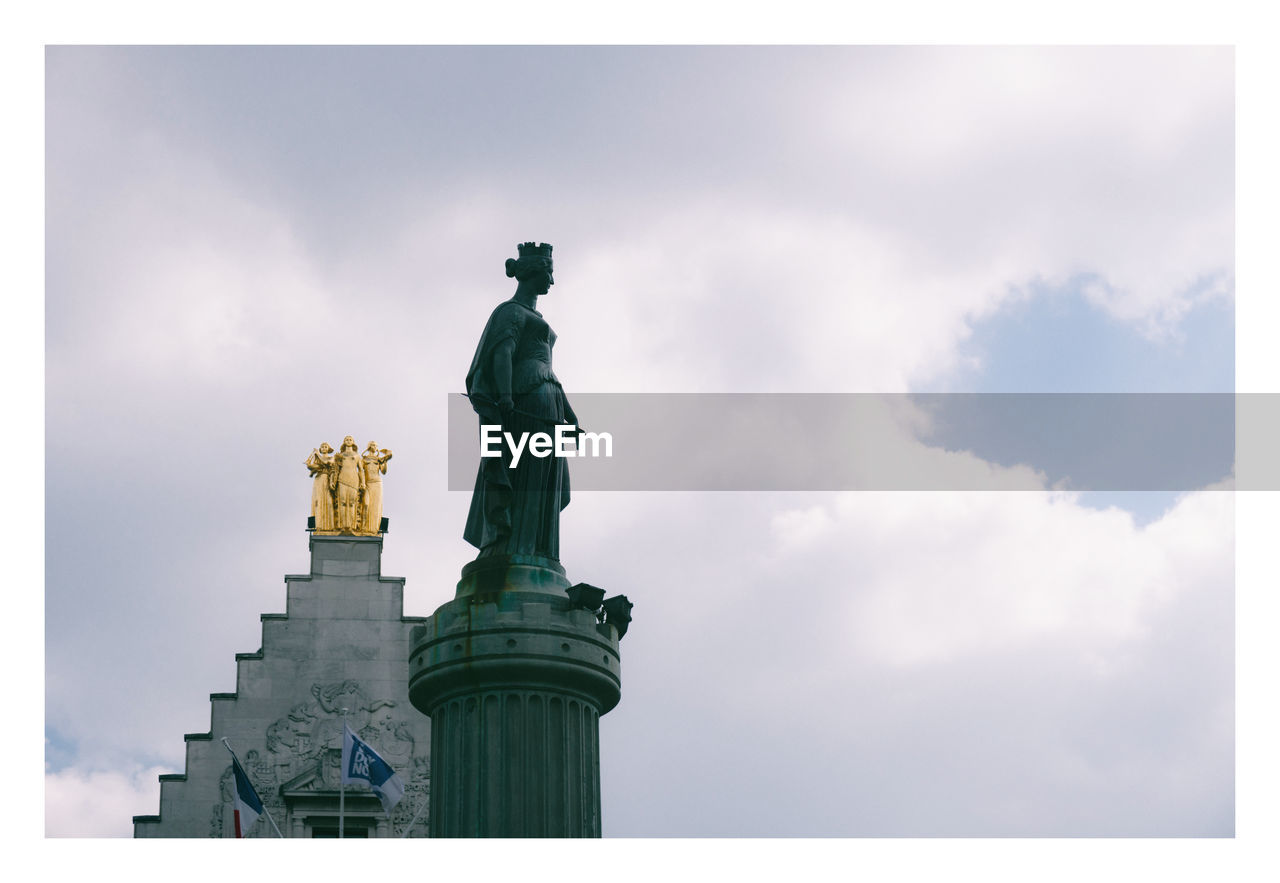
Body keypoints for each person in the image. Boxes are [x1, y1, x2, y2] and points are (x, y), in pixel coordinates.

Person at [464, 241, 577, 560]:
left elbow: (550, 372)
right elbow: (502, 352)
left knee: (544, 484)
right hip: (525, 402)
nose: (552, 281)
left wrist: (570, 415)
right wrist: (505, 396)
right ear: (532, 272)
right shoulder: (510, 312)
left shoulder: (528, 314)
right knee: (525, 474)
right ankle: (514, 548)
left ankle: (540, 551)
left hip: (548, 400)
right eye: (548, 273)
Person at [333, 436, 365, 532]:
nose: (348, 440)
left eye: (350, 439)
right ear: (344, 442)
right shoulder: (340, 456)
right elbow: (336, 470)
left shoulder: (357, 456)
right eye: (347, 439)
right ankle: (343, 526)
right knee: (342, 502)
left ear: (353, 442)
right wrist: (333, 481)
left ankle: (351, 526)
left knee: (352, 502)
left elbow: (361, 470)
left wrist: (363, 482)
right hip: (342, 479)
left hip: (353, 480)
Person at [361, 442, 392, 533]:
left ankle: (373, 529)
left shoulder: (379, 459)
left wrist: (385, 461)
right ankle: (364, 527)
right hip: (367, 483)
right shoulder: (364, 459)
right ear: (369, 447)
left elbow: (384, 471)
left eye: (376, 446)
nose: (375, 447)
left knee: (376, 505)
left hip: (377, 483)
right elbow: (361, 471)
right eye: (373, 445)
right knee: (366, 504)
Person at [305, 442, 336, 530]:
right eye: (322, 447)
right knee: (318, 500)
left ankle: (330, 525)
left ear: (328, 449)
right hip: (318, 480)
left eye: (325, 446)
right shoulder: (317, 459)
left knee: (328, 501)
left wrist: (317, 454)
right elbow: (313, 467)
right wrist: (309, 464)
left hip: (326, 479)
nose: (323, 448)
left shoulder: (331, 457)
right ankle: (319, 524)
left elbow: (327, 462)